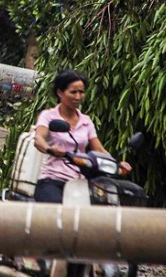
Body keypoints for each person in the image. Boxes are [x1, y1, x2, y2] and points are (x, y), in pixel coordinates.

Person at [32, 69, 128, 204]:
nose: (78, 97)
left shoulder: (86, 121)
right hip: (52, 180)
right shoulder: (48, 116)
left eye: (81, 92)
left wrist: (117, 164)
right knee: (58, 213)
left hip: (80, 182)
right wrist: (50, 149)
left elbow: (99, 149)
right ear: (60, 93)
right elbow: (38, 139)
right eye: (73, 92)